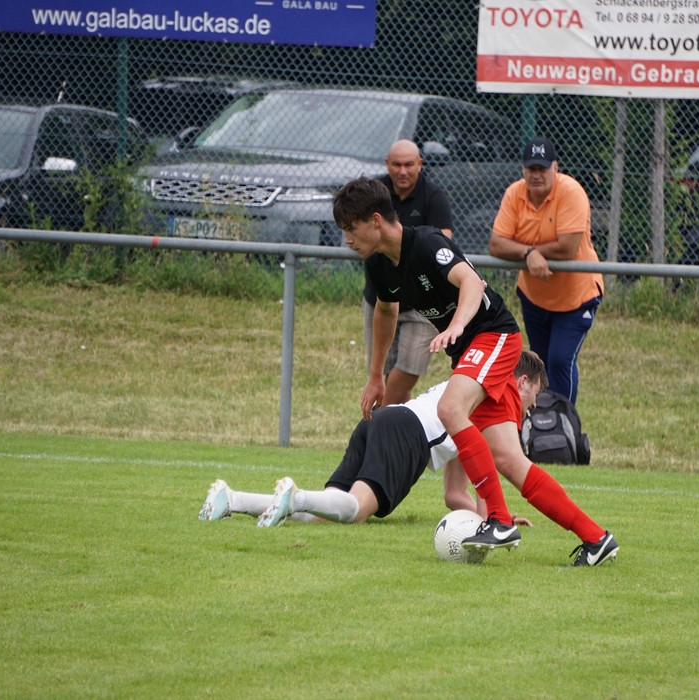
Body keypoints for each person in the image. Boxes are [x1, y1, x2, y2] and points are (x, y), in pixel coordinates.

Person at [334, 177, 618, 565]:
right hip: (471, 350)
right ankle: (597, 538)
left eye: (351, 228)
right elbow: (386, 311)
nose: (347, 239)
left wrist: (455, 325)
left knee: (450, 408)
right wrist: (375, 375)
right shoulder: (380, 266)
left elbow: (470, 281)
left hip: (495, 335)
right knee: (510, 462)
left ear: (376, 221)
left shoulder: (427, 242)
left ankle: (498, 521)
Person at [197, 352, 545, 528]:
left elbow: (455, 495)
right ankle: (294, 495)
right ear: (522, 382)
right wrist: (494, 523)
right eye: (535, 395)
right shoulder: (494, 400)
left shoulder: (468, 390)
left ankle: (232, 499)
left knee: (327, 512)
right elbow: (488, 480)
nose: (532, 407)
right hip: (406, 432)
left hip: (383, 420)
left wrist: (491, 518)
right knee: (356, 511)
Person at [489, 136, 605, 405]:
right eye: (531, 168)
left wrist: (528, 250)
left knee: (560, 359)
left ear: (556, 168)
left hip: (577, 297)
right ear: (523, 170)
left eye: (542, 168)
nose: (536, 175)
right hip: (534, 297)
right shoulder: (515, 193)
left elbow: (568, 248)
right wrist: (529, 254)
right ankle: (540, 419)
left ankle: (564, 421)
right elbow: (496, 243)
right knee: (538, 363)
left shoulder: (571, 192)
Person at [362, 139, 454, 405]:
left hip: (421, 303)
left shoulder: (433, 197)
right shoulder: (374, 194)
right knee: (384, 370)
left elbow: (443, 242)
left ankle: (377, 421)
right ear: (387, 164)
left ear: (420, 164)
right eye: (397, 165)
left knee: (407, 371)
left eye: (409, 165)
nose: (403, 171)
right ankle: (397, 424)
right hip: (380, 299)